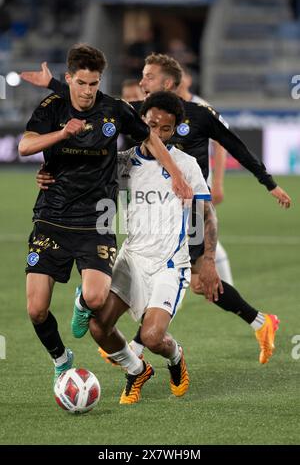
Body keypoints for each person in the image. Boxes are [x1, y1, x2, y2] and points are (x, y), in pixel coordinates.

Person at [21, 53, 291, 365]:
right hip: (161, 206)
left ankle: (144, 345)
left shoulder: (200, 113)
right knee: (197, 282)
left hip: (189, 207)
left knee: (197, 278)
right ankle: (257, 322)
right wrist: (55, 87)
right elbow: (96, 100)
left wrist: (265, 183)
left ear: (167, 83)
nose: (141, 82)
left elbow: (232, 146)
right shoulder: (142, 111)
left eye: (148, 76)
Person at [19, 44, 192, 385]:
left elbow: (151, 140)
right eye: (81, 83)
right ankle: (61, 358)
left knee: (97, 297)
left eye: (94, 84)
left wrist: (175, 173)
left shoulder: (114, 110)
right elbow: (25, 145)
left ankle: (82, 304)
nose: (87, 91)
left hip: (96, 221)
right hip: (51, 217)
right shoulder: (52, 108)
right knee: (36, 309)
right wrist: (63, 133)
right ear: (68, 79)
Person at [88, 91, 220, 404]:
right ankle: (136, 369)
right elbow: (84, 175)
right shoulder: (123, 163)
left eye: (166, 129)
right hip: (131, 258)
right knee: (98, 326)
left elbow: (207, 216)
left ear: (175, 131)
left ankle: (175, 357)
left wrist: (209, 260)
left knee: (151, 336)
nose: (158, 133)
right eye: (152, 125)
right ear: (141, 122)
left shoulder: (186, 165)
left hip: (168, 265)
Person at [176, 67, 233, 285]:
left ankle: (224, 289)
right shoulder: (165, 105)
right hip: (171, 185)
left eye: (182, 76)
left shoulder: (202, 107)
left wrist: (217, 182)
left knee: (203, 236)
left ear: (189, 80)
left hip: (197, 186)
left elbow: (221, 142)